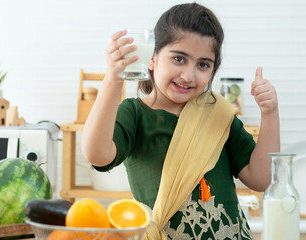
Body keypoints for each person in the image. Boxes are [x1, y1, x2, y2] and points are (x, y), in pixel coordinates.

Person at [81, 3, 279, 240]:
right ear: (152, 58)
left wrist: (269, 114)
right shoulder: (135, 113)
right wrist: (114, 77)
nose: (188, 75)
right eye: (179, 59)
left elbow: (261, 179)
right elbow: (96, 154)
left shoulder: (218, 113)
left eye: (203, 65)